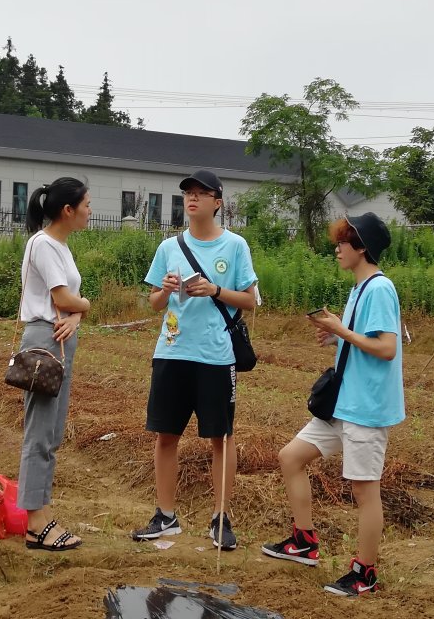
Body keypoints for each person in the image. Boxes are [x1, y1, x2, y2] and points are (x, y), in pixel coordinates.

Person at [261, 212, 404, 596]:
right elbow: (364, 341)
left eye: (343, 242)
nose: (337, 248)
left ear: (362, 247)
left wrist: (342, 330)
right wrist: (338, 337)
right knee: (290, 457)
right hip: (343, 403)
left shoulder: (379, 289)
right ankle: (304, 542)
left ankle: (365, 573)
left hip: (366, 408)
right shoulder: (360, 288)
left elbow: (387, 348)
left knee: (364, 490)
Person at [131, 169, 257, 550]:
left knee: (221, 436)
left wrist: (216, 290)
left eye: (202, 193)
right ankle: (165, 515)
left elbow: (251, 301)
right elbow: (153, 302)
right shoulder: (169, 247)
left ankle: (221, 517)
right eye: (188, 192)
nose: (193, 198)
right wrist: (166, 290)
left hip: (216, 357)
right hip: (172, 351)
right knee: (166, 434)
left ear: (217, 203)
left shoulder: (235, 246)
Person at [16, 177, 91, 551]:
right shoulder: (43, 244)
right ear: (68, 210)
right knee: (39, 433)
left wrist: (76, 315)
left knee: (52, 433)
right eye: (86, 205)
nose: (90, 211)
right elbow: (65, 297)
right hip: (46, 340)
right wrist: (85, 307)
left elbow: (68, 303)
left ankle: (41, 515)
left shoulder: (61, 246)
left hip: (59, 336)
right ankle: (35, 523)